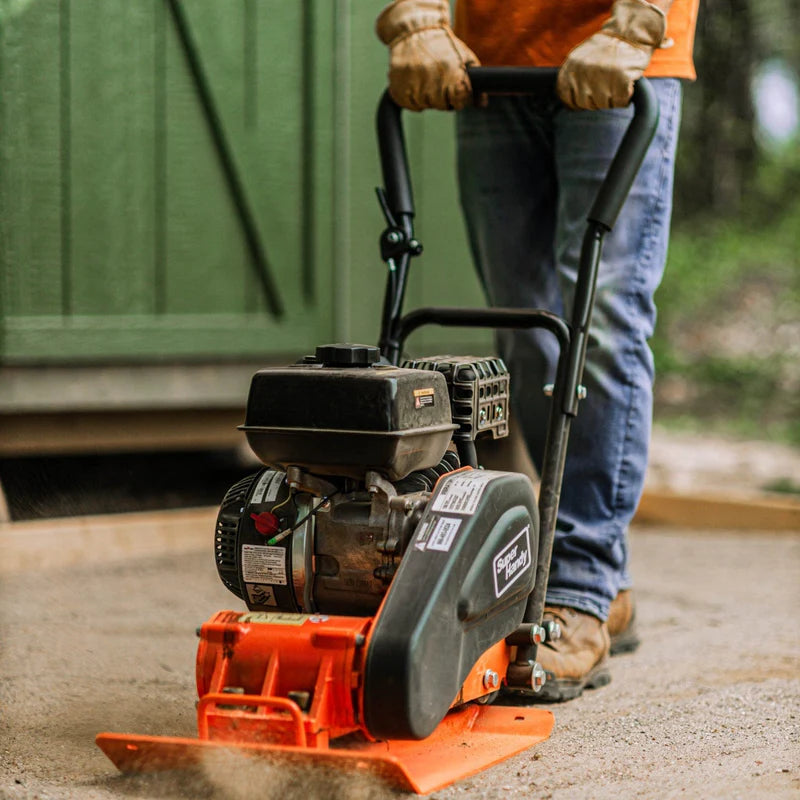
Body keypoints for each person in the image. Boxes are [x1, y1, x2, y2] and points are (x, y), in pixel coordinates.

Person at [376, 0, 699, 700]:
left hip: (619, 58)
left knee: (604, 323)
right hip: (489, 63)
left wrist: (639, 22)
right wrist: (416, 17)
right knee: (525, 333)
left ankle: (580, 585)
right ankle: (596, 578)